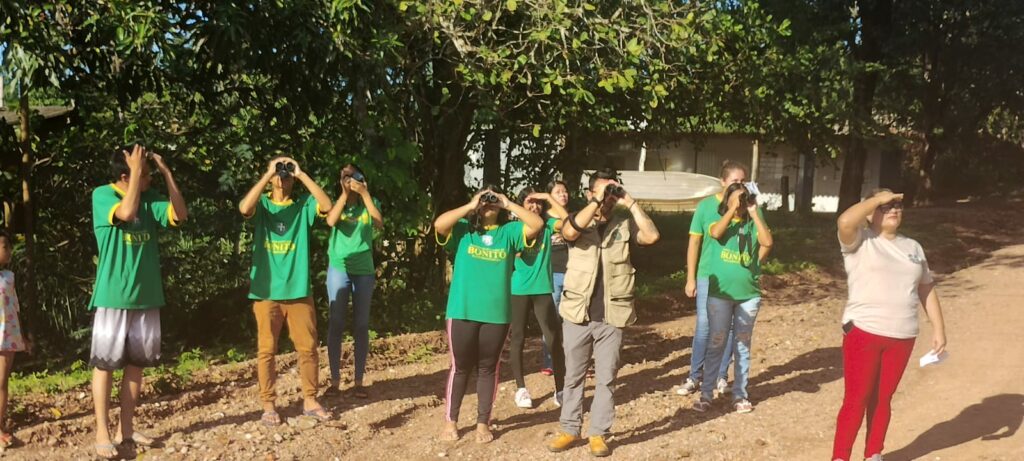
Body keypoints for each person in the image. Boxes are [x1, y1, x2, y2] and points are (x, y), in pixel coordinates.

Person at [547, 168, 660, 457]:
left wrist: (630, 202)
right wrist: (595, 201)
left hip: (613, 313)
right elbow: (569, 231)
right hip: (577, 311)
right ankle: (569, 429)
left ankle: (598, 433)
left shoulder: (623, 223)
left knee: (607, 378)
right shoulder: (579, 220)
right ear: (589, 193)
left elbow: (651, 237)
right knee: (573, 375)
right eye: (601, 191)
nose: (608, 197)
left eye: (611, 191)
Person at [832, 190, 947, 461]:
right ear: (871, 212)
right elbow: (845, 222)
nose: (894, 210)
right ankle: (840, 457)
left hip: (903, 334)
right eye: (886, 207)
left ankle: (874, 453)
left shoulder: (914, 247)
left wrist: (939, 329)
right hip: (864, 331)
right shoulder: (860, 240)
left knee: (883, 398)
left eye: (898, 206)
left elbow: (926, 288)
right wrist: (876, 199)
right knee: (856, 399)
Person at [89, 144, 188, 459]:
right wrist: (136, 173)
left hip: (147, 297)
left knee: (136, 367)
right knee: (105, 365)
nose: (149, 181)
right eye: (143, 175)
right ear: (124, 175)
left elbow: (180, 215)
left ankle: (126, 430)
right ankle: (103, 432)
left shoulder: (151, 199)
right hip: (113, 296)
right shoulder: (102, 195)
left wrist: (166, 173)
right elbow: (126, 213)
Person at [433, 185, 544, 443]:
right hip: (462, 310)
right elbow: (439, 225)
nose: (489, 203)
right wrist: (471, 205)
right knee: (459, 368)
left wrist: (507, 203)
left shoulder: (510, 233)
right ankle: (451, 421)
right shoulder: (463, 230)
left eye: (492, 199)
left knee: (488, 369)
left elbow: (536, 224)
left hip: (497, 314)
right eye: (486, 199)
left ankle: (483, 422)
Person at [238, 156, 333, 426]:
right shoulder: (264, 205)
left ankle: (311, 400)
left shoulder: (303, 206)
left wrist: (301, 174)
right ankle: (268, 405)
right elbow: (245, 207)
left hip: (298, 290)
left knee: (308, 348)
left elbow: (327, 206)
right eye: (281, 172)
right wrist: (268, 175)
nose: (284, 176)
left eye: (286, 173)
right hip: (266, 292)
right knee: (266, 351)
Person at [692, 181, 773, 414]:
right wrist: (731, 210)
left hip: (748, 295)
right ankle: (706, 393)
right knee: (716, 342)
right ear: (726, 200)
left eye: (743, 198)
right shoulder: (721, 223)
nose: (740, 203)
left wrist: (753, 211)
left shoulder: (753, 223)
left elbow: (767, 242)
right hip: (721, 295)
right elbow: (716, 233)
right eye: (735, 198)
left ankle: (739, 394)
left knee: (742, 346)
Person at [679, 161, 747, 397]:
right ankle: (694, 376)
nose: (739, 186)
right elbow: (694, 243)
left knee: (727, 329)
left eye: (743, 182)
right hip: (708, 275)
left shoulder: (747, 209)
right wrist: (691, 278)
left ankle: (720, 376)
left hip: (733, 278)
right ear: (723, 182)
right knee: (705, 327)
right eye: (734, 182)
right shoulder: (706, 207)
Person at [323, 163, 383, 398]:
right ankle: (335, 381)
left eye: (354, 176)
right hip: (339, 268)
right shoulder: (337, 201)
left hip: (364, 270)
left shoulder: (370, 203)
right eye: (345, 177)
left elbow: (378, 222)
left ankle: (359, 381)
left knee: (361, 325)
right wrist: (344, 194)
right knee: (336, 322)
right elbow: (330, 221)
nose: (350, 180)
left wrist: (365, 194)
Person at [509, 187, 568, 409]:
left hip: (543, 288)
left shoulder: (549, 226)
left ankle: (561, 388)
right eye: (529, 203)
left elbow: (567, 220)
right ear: (521, 206)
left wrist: (549, 198)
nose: (534, 206)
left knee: (553, 338)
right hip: (519, 289)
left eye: (538, 203)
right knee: (518, 338)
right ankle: (521, 388)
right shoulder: (513, 229)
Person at [540, 180, 571, 376]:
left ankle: (573, 361)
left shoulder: (571, 216)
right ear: (550, 196)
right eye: (558, 192)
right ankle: (549, 361)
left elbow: (570, 223)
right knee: (551, 320)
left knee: (572, 320)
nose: (563, 194)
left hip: (572, 273)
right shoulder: (543, 220)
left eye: (565, 191)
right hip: (552, 274)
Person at [0, 231, 27, 449]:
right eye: (4, 246)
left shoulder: (9, 276)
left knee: (1, 382)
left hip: (7, 336)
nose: (9, 250)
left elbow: (15, 307)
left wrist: (23, 335)